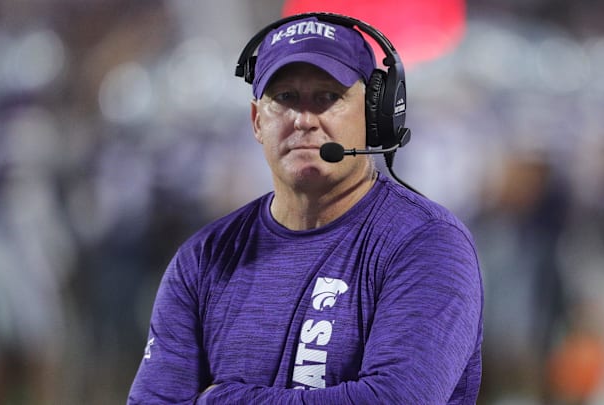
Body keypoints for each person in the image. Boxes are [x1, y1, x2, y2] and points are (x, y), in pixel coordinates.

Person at [128, 12, 483, 404]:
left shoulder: (426, 244)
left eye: (327, 97)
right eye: (285, 98)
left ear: (373, 115)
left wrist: (221, 399)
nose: (303, 120)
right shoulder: (203, 260)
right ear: (256, 121)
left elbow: (394, 400)